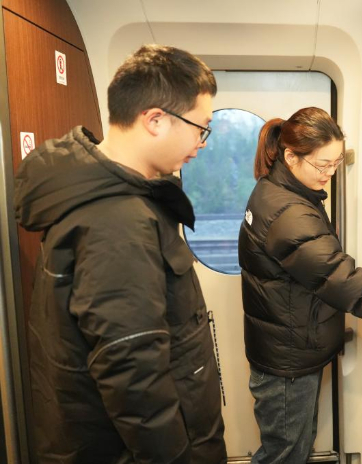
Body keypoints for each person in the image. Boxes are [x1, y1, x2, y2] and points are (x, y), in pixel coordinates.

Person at [14, 44, 227, 463]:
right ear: (155, 120)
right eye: (200, 127)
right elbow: (135, 376)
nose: (202, 143)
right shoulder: (117, 223)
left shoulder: (123, 199)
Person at [238, 107, 362, 463]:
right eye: (322, 165)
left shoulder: (278, 190)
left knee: (292, 448)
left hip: (287, 346)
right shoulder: (290, 213)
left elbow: (321, 271)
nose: (330, 173)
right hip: (287, 361)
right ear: (291, 156)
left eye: (335, 163)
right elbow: (345, 283)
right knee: (284, 455)